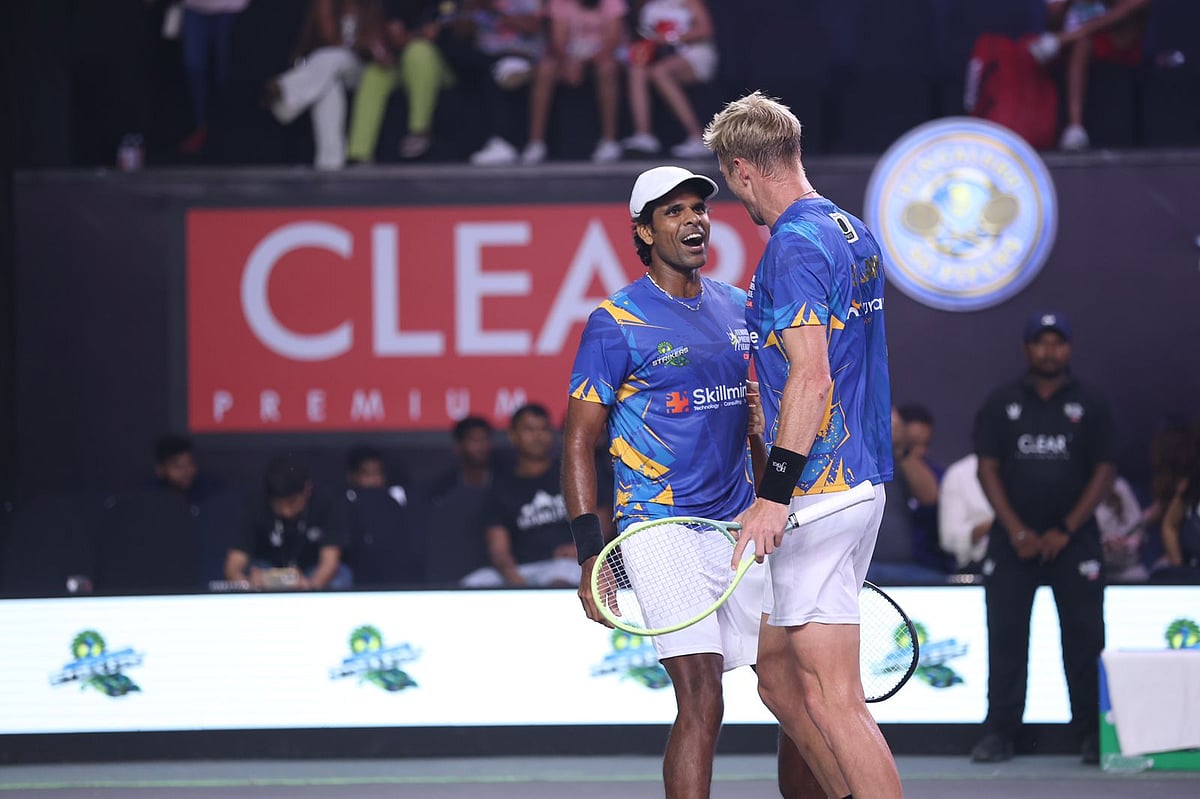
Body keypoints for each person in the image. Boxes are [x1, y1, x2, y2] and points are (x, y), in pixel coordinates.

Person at [564, 165, 819, 799]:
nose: (693, 220)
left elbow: (760, 420)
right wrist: (591, 556)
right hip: (659, 528)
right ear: (645, 232)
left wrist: (765, 465)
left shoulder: (740, 306)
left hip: (739, 524)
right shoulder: (615, 322)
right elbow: (578, 442)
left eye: (698, 208)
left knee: (795, 690)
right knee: (702, 694)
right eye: (673, 211)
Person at [704, 91, 903, 798]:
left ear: (741, 168)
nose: (737, 198)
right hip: (857, 482)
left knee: (835, 699)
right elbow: (833, 362)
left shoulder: (790, 244)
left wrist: (772, 494)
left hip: (817, 493)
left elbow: (813, 378)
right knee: (781, 680)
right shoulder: (850, 229)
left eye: (730, 183)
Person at [969, 311, 1116, 765]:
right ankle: (1000, 733)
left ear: (1068, 348)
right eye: (1040, 342)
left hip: (1075, 540)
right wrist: (1017, 529)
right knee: (1006, 639)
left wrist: (1065, 530)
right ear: (1026, 348)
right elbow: (986, 468)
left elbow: (1105, 471)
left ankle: (1092, 734)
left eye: (1057, 342)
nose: (1049, 351)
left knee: (1085, 638)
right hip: (1013, 542)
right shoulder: (1002, 403)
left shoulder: (1091, 404)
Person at [461, 404, 599, 587]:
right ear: (513, 435)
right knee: (476, 581)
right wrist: (513, 577)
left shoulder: (572, 474)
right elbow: (499, 549)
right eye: (529, 429)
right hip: (522, 570)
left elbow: (600, 518)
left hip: (567, 563)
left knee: (562, 572)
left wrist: (582, 548)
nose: (537, 436)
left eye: (544, 429)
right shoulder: (500, 488)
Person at [265, 0, 386, 170]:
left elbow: (374, 43)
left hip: (360, 70)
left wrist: (363, 45)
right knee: (328, 86)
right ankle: (330, 163)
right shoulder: (328, 4)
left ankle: (287, 90)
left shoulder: (370, 5)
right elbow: (327, 38)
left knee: (332, 58)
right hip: (326, 71)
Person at [346, 1, 456, 162]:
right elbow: (396, 37)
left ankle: (419, 130)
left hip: (442, 66)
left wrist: (412, 36)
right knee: (374, 74)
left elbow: (441, 31)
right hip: (401, 63)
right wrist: (381, 49)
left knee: (418, 52)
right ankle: (359, 152)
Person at [1033, 0, 1151, 151]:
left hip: (1122, 48)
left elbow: (1110, 19)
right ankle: (1075, 127)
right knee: (1082, 43)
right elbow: (1052, 24)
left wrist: (1062, 39)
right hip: (1084, 44)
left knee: (1083, 38)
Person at [520, 0, 628, 165]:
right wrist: (570, 61)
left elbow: (613, 39)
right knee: (545, 70)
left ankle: (609, 141)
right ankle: (536, 143)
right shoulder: (560, 3)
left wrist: (586, 61)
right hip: (569, 55)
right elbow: (558, 39)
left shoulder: (611, 2)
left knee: (607, 69)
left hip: (602, 54)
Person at [224, 454, 353, 590]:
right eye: (279, 504)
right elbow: (233, 567)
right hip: (267, 573)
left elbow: (329, 563)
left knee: (342, 575)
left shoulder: (327, 504)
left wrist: (310, 586)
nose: (286, 511)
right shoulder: (254, 506)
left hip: (309, 573)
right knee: (250, 570)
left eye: (292, 503)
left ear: (306, 490)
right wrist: (248, 584)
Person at [449, 0, 548, 166]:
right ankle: (477, 142)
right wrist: (470, 8)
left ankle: (504, 142)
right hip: (485, 55)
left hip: (521, 55)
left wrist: (495, 9)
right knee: (462, 60)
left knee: (499, 71)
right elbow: (462, 32)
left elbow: (532, 27)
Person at [621, 0, 718, 159]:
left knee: (660, 72)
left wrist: (670, 37)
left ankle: (697, 136)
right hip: (663, 55)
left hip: (695, 53)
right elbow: (646, 35)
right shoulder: (648, 7)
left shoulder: (689, 2)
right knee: (636, 70)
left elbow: (706, 30)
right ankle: (644, 135)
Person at [868, 404, 953, 584]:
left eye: (925, 444)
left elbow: (930, 496)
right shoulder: (857, 453)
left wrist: (900, 449)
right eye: (913, 443)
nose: (920, 450)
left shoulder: (909, 462)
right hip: (861, 564)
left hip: (905, 565)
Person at [176, 0, 252, 155]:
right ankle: (201, 127)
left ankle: (228, 130)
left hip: (230, 8)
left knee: (225, 71)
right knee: (194, 67)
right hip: (194, 7)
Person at [938, 453, 994, 575]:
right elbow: (949, 540)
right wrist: (998, 523)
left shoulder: (1031, 470)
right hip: (979, 566)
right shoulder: (960, 473)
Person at [1096, 474, 1147, 581]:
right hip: (1092, 565)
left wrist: (1129, 543)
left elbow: (1139, 532)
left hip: (1126, 566)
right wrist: (1104, 546)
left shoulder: (1119, 485)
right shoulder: (1076, 489)